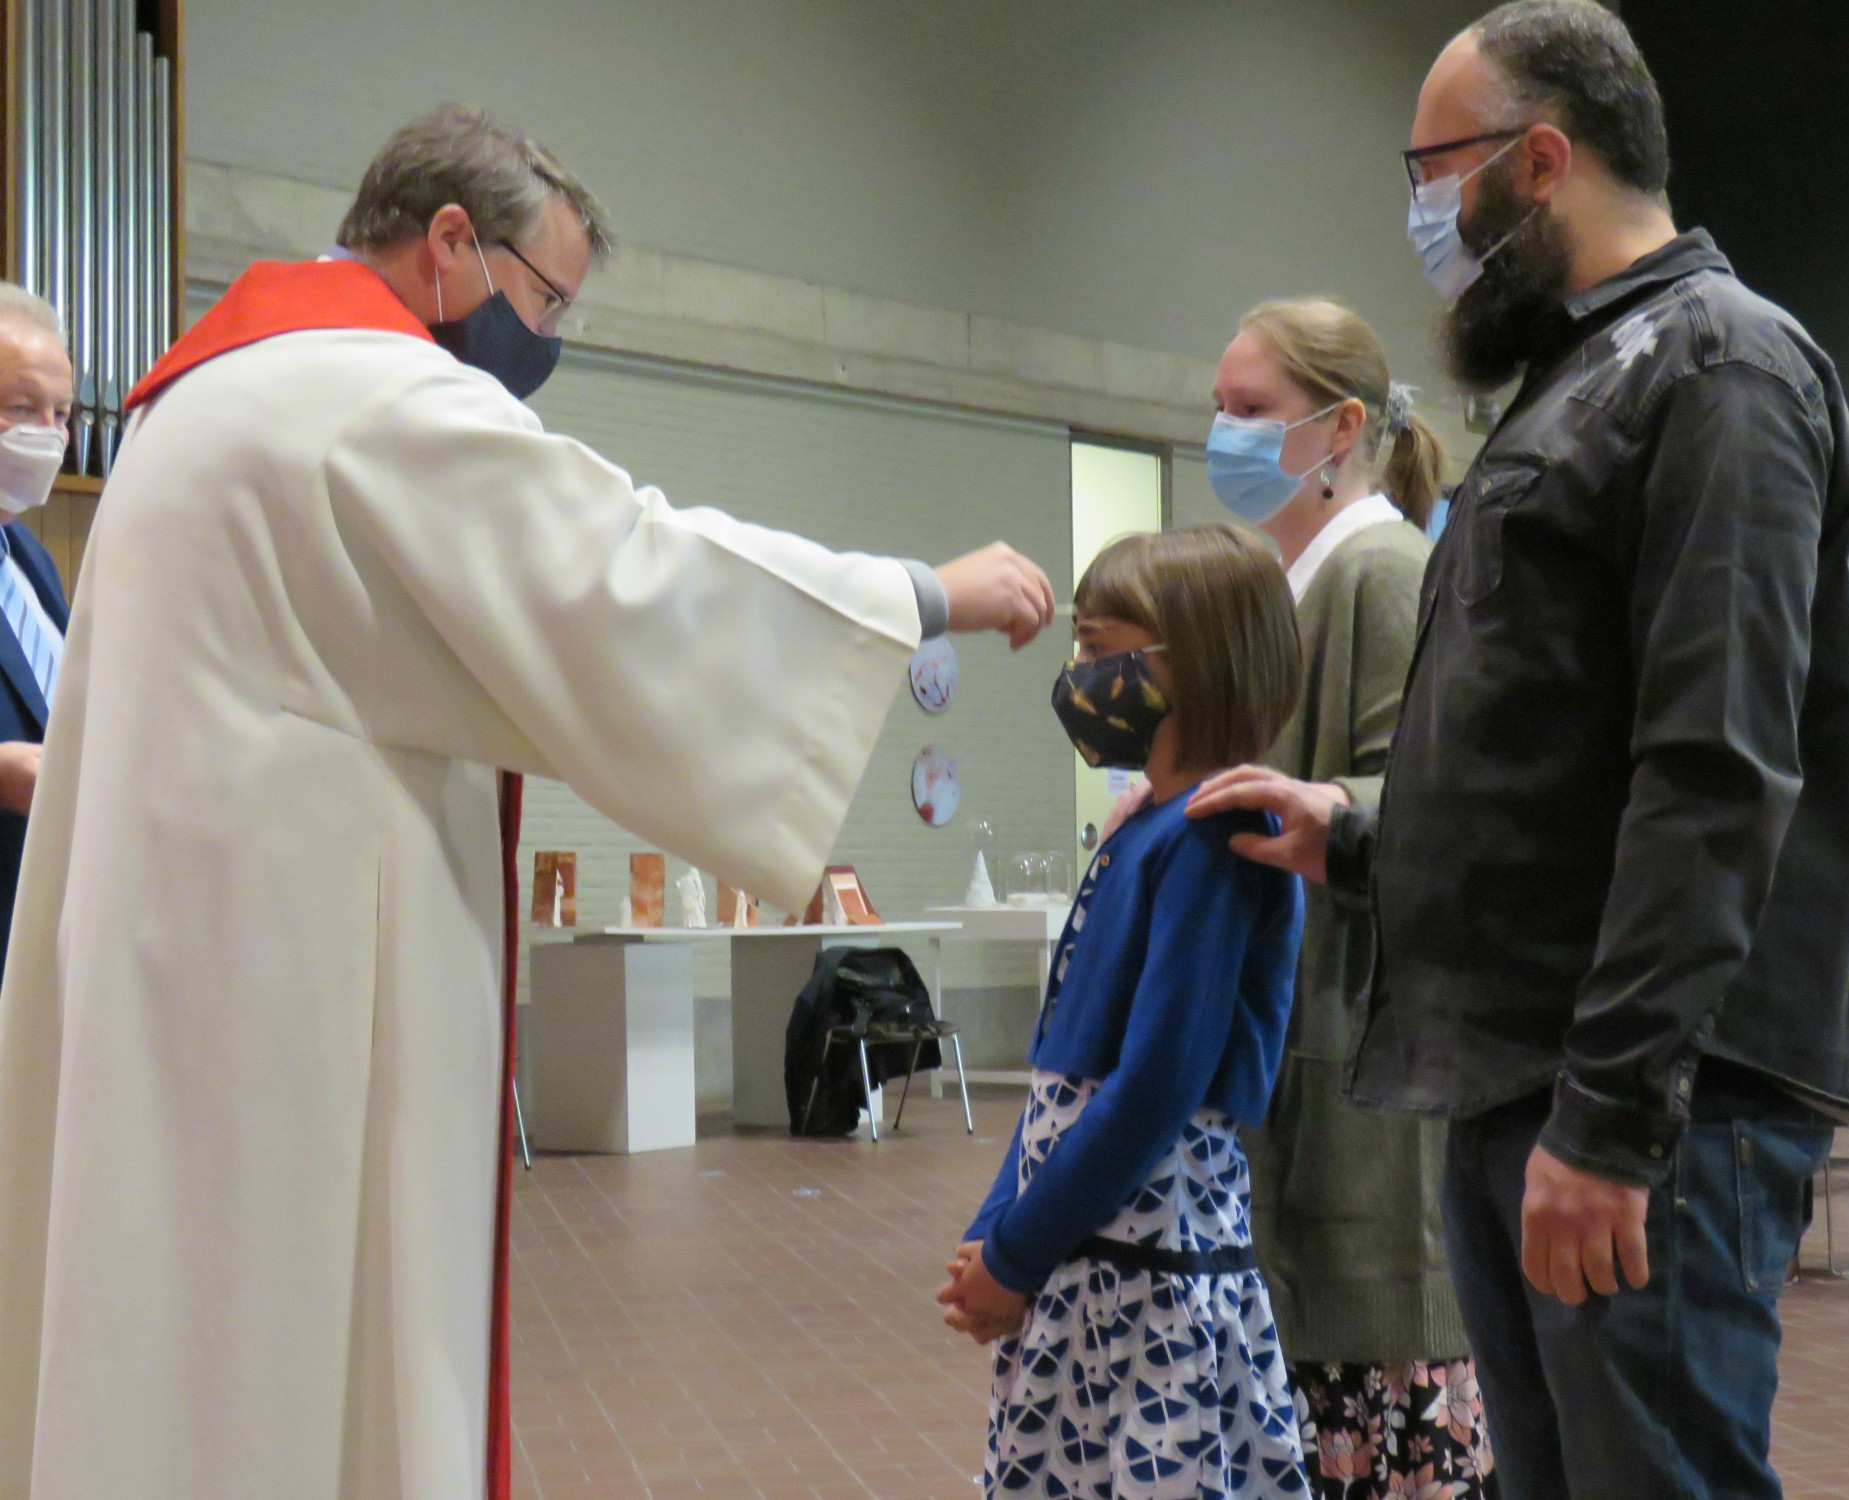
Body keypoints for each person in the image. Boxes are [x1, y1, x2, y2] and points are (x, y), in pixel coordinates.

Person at [0, 104, 1054, 1500]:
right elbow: (624, 571)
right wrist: (919, 593)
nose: (544, 339)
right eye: (545, 296)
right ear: (450, 244)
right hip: (277, 1000)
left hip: (175, 969)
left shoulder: (210, 391)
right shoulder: (362, 391)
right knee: (277, 1370)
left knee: (181, 1360)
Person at [1192, 4, 1849, 1497]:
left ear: (1543, 158)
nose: (1422, 216)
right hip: (1520, 1081)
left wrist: (1615, 1120)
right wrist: (1358, 835)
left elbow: (1713, 768)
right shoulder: (1579, 381)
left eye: (1432, 172)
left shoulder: (1721, 372)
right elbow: (1545, 762)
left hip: (1641, 1104)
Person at [938, 525, 1309, 1500]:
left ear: (1198, 659)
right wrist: (996, 1235)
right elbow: (1060, 1074)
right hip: (1082, 1268)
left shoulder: (1219, 836)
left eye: (1101, 651)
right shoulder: (1147, 824)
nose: (1079, 675)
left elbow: (1151, 1090)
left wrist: (1016, 1254)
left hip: (1148, 1288)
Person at [1206, 298, 1492, 1497]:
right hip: (1298, 1083)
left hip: (1358, 1099)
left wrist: (1283, 805)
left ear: (1341, 428)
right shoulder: (1297, 581)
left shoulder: (1380, 572)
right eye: (1216, 409)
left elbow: (1413, 806)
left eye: (1251, 412)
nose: (1222, 434)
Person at [0, 287, 71, 985]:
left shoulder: (30, 560)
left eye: (62, 414)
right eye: (22, 409)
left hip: (41, 937)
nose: (47, 434)